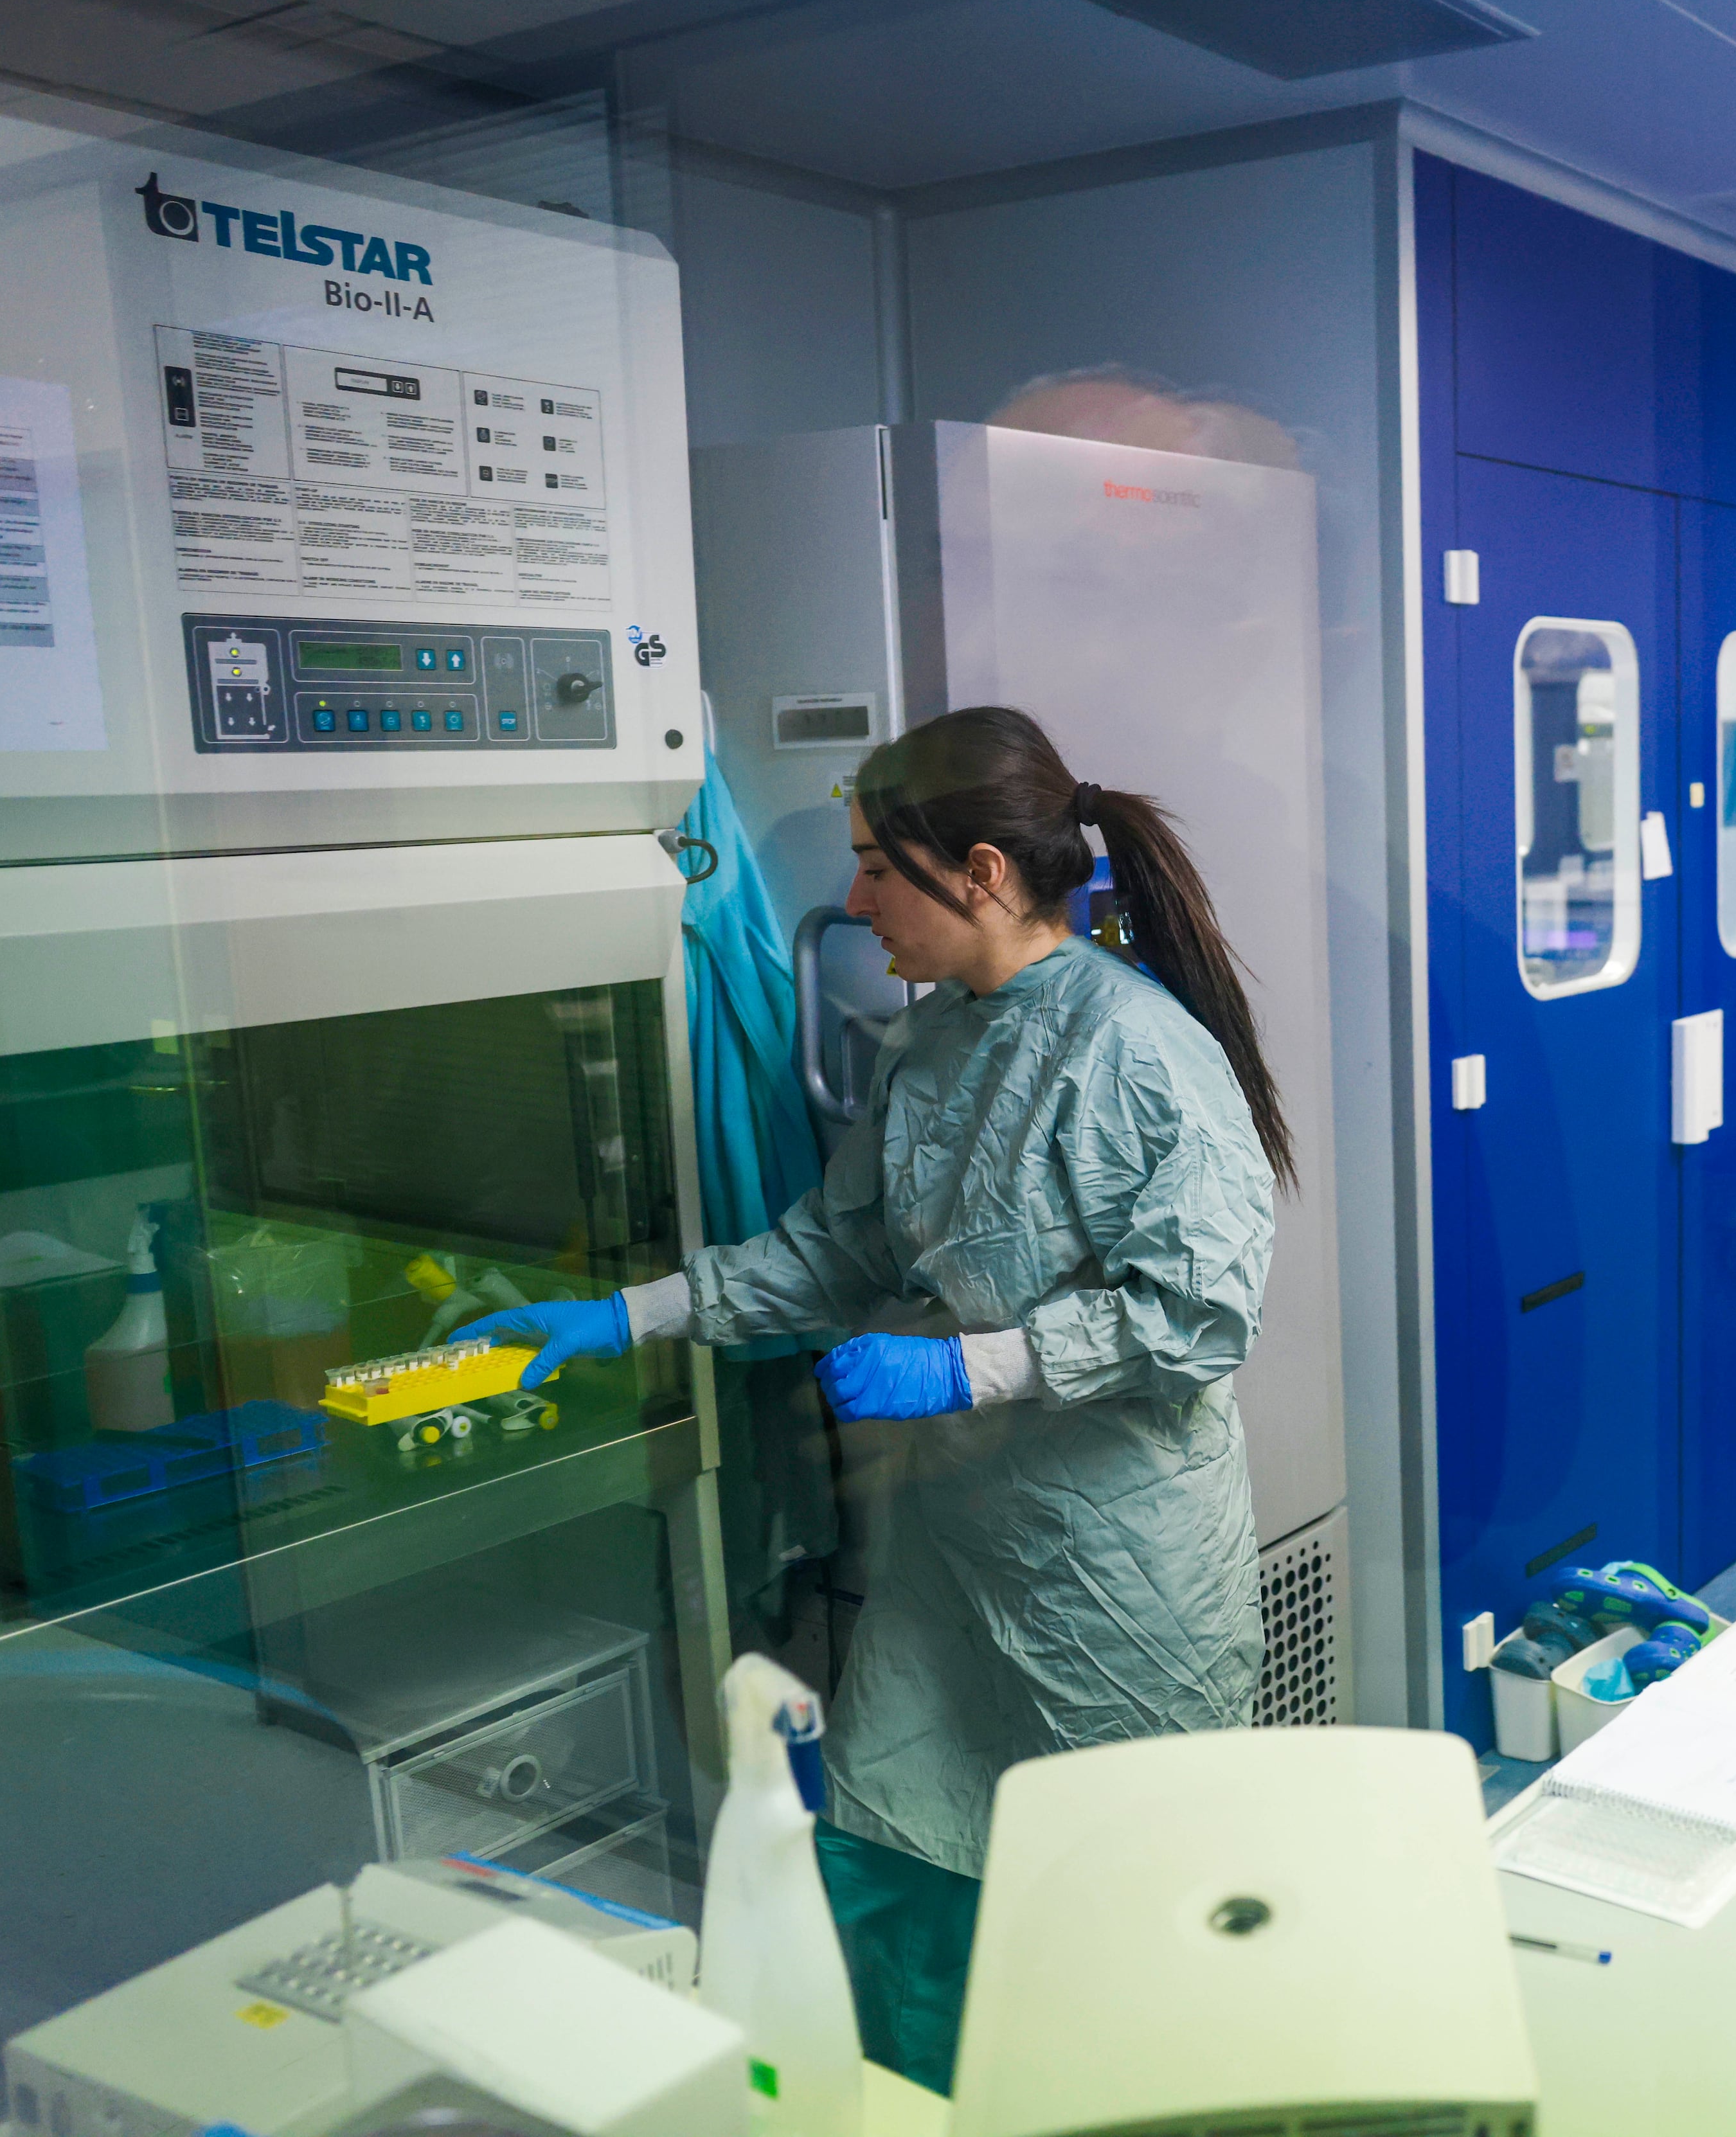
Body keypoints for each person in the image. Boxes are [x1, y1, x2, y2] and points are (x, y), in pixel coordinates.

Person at [461, 704, 1289, 2087]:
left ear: (977, 870)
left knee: (1127, 1899)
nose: (850, 904)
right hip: (959, 1558)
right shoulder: (932, 1049)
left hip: (1117, 1576)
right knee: (903, 1846)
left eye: (874, 869)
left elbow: (1199, 1316)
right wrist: (628, 1315)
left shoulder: (1137, 1054)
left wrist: (963, 1363)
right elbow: (833, 1254)